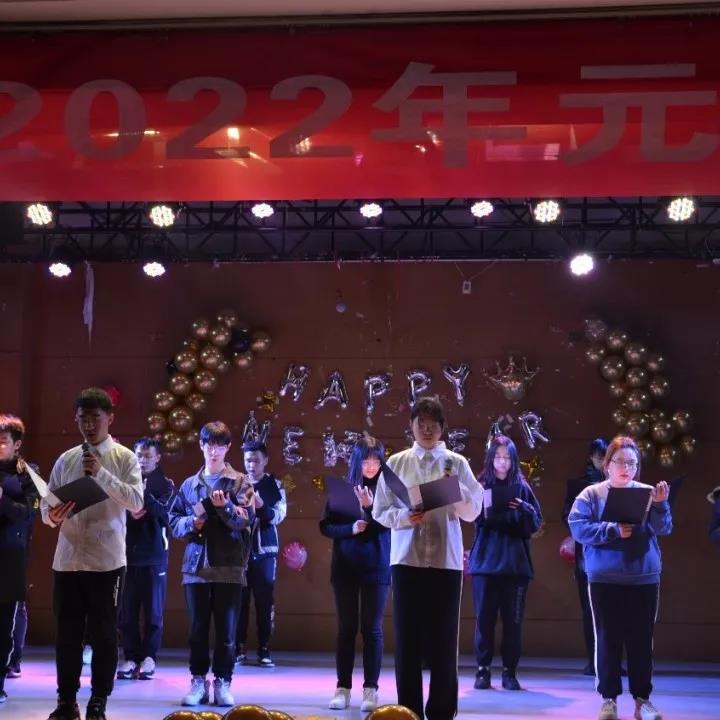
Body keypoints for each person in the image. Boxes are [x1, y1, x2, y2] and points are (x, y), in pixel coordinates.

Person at [373, 396, 483, 720]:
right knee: (407, 641)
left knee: (444, 641)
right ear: (411, 426)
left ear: (442, 428)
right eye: (421, 424)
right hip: (407, 560)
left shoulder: (456, 463)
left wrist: (454, 491)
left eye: (433, 425)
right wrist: (405, 517)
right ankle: (408, 712)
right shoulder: (397, 463)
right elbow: (380, 510)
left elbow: (474, 510)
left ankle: (442, 712)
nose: (427, 430)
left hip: (446, 562)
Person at [41, 388, 143, 720]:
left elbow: (136, 502)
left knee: (104, 635)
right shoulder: (66, 458)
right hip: (68, 560)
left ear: (110, 419)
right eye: (82, 419)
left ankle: (98, 700)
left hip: (106, 561)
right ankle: (66, 701)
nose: (88, 425)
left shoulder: (124, 458)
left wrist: (100, 472)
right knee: (67, 635)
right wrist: (50, 515)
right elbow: (47, 503)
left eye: (95, 418)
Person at [569, 436, 671, 720]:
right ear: (607, 464)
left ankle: (642, 701)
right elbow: (578, 528)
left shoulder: (648, 492)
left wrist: (661, 505)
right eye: (620, 461)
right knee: (607, 640)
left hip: (643, 577)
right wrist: (611, 530)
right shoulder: (591, 494)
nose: (626, 467)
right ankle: (608, 700)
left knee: (642, 641)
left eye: (632, 463)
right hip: (605, 578)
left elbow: (663, 528)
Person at [168, 421, 254, 708]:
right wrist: (191, 523)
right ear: (201, 446)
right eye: (209, 444)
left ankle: (223, 681)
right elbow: (174, 521)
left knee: (227, 632)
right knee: (197, 630)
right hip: (195, 567)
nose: (213, 451)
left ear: (228, 448)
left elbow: (246, 519)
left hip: (229, 567)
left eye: (219, 445)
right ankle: (198, 681)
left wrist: (225, 508)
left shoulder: (240, 482)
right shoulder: (189, 485)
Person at [319, 435, 391, 712]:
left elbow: (391, 525)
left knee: (372, 629)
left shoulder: (387, 490)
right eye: (366, 461)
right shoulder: (342, 490)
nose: (371, 466)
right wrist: (350, 529)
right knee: (346, 629)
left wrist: (370, 508)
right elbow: (325, 526)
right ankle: (343, 688)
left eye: (376, 461)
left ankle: (371, 690)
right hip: (346, 567)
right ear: (356, 461)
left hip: (377, 566)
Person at [469, 434, 542, 692]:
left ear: (513, 460)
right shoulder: (481, 485)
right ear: (490, 459)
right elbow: (475, 517)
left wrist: (522, 511)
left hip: (515, 565)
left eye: (507, 458)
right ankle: (483, 670)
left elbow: (534, 524)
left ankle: (510, 672)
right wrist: (500, 517)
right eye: (498, 457)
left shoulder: (522, 487)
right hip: (485, 564)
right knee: (484, 620)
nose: (502, 462)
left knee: (513, 622)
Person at [117, 438, 174, 681]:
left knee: (153, 612)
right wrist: (130, 506)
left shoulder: (166, 485)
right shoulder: (124, 482)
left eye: (148, 456)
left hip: (154, 556)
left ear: (157, 458)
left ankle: (149, 657)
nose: (142, 460)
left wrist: (143, 495)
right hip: (126, 555)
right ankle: (131, 657)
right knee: (127, 612)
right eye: (139, 455)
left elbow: (164, 514)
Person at [235, 440, 287, 669]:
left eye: (256, 460)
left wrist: (262, 506)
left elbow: (279, 515)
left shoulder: (274, 485)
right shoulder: (236, 483)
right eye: (248, 460)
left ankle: (264, 649)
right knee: (240, 601)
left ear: (265, 460)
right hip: (239, 550)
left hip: (265, 550)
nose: (251, 465)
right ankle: (238, 648)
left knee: (265, 601)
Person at [0, 414, 39, 703]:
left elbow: (28, 513)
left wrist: (2, 500)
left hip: (10, 558)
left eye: (2, 441)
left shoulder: (29, 475)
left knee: (3, 625)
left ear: (17, 444)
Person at [562, 438, 608, 676]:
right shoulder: (579, 486)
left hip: (613, 555)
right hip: (587, 556)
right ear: (591, 457)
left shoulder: (617, 485)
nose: (602, 461)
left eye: (605, 456)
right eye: (598, 456)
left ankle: (611, 661)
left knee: (612, 612)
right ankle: (594, 660)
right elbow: (566, 517)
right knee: (590, 611)